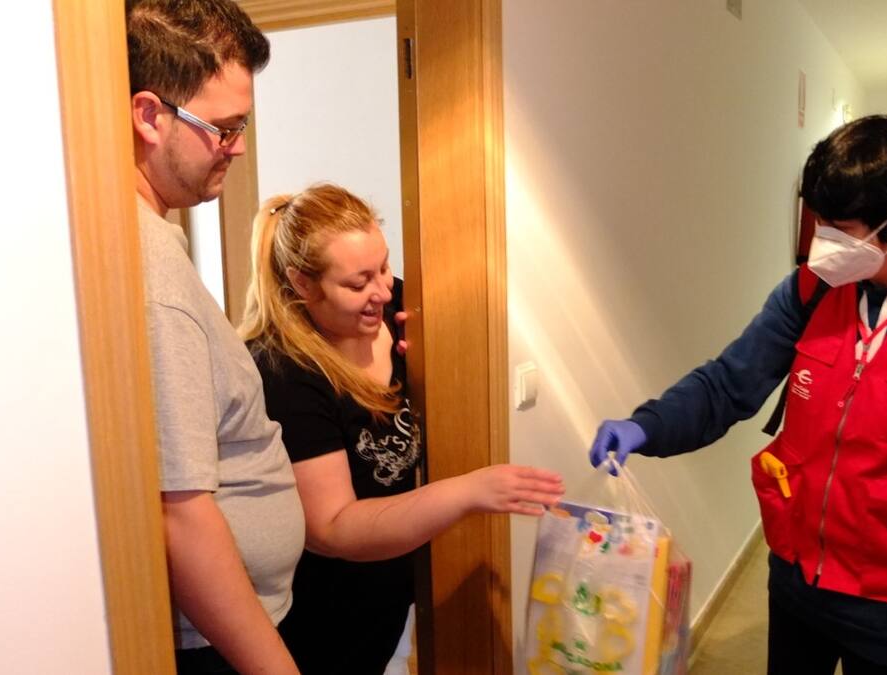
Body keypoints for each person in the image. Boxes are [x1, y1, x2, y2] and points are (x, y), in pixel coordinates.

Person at [588, 115, 887, 675]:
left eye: (837, 227)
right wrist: (646, 426)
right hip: (797, 580)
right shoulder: (811, 293)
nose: (819, 243)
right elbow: (728, 384)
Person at [239, 183, 567, 674]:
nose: (384, 291)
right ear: (302, 284)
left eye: (384, 267)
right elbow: (331, 528)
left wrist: (435, 357)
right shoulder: (284, 372)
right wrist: (468, 491)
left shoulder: (400, 310)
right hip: (321, 616)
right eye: (357, 283)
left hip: (386, 597)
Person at [126, 2, 304, 672]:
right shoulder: (153, 276)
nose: (239, 147)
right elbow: (182, 510)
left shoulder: (156, 241)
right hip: (214, 647)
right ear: (149, 116)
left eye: (244, 125)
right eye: (223, 128)